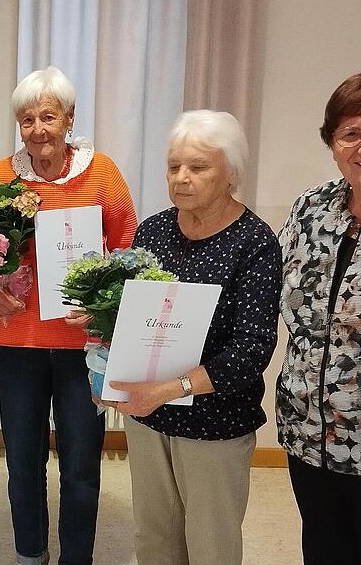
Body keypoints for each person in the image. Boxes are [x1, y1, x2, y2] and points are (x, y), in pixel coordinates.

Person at [0, 67, 137, 565]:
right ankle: (30, 554)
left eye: (49, 116)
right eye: (27, 119)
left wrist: (106, 301)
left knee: (81, 465)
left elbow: (129, 244)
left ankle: (76, 559)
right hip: (18, 341)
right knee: (23, 462)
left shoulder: (102, 173)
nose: (39, 128)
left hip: (81, 347)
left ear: (69, 118)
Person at [111, 110, 281, 565]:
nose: (182, 178)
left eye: (198, 167)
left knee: (211, 545)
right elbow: (131, 320)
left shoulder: (254, 242)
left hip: (215, 422)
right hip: (149, 417)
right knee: (154, 538)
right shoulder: (153, 231)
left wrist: (171, 389)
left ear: (231, 173)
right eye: (173, 166)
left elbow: (251, 349)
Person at [278, 72, 361, 564]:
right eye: (351, 133)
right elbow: (281, 293)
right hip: (308, 425)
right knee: (324, 545)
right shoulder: (310, 208)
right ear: (332, 141)